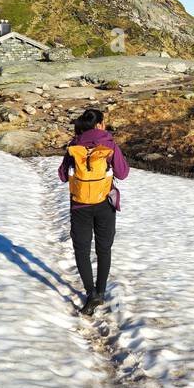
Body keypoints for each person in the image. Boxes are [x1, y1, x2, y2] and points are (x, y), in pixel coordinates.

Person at [58, 108, 129, 315]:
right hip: (104, 204)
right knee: (103, 248)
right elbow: (122, 173)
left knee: (82, 250)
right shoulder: (109, 145)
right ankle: (102, 291)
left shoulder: (74, 145)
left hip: (79, 205)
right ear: (100, 124)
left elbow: (62, 176)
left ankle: (91, 294)